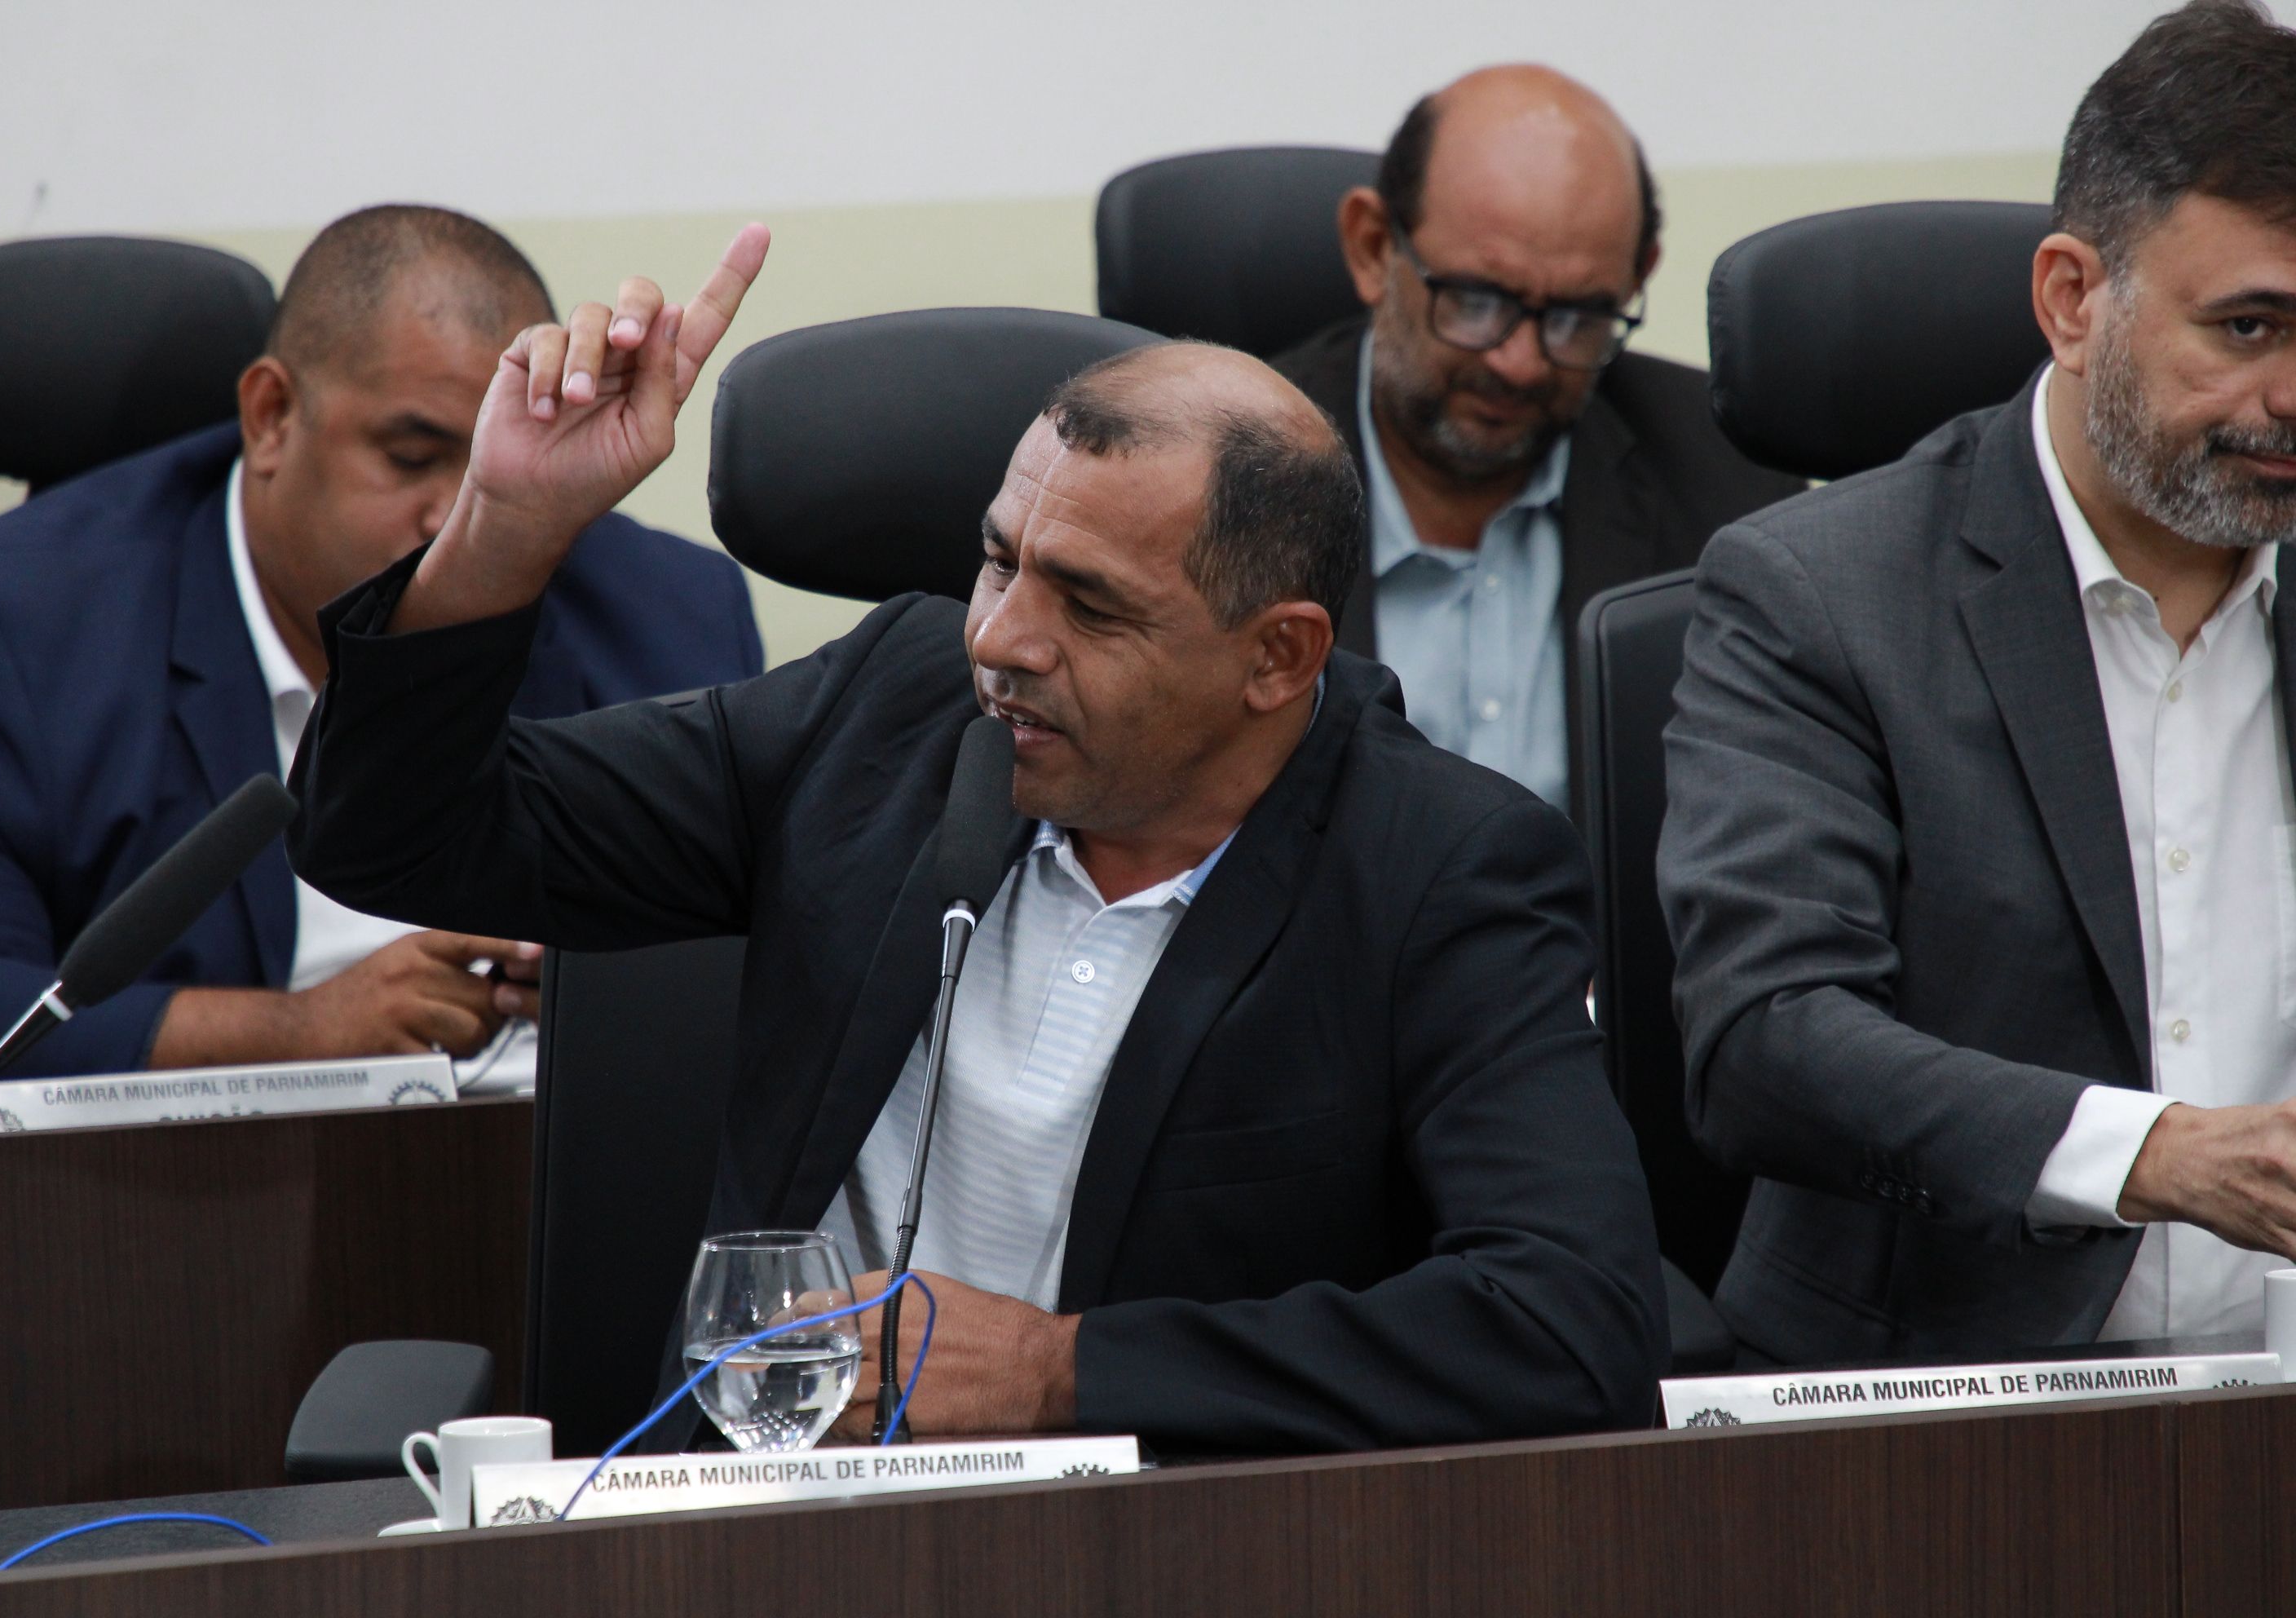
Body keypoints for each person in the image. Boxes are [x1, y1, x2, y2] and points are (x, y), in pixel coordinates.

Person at [286, 230, 1667, 1453]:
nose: (1001, 639)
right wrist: (504, 530)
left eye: (1089, 605)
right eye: (1001, 559)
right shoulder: (893, 708)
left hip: (1164, 1549)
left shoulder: (1440, 867)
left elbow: (1569, 1323)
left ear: (1277, 656)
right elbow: (393, 835)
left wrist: (1061, 1371)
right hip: (772, 1515)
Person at [1659, 0, 2296, 1364]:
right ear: (2072, 300)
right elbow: (1767, 1037)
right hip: (1944, 1411)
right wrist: (2155, 1153)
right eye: (2248, 326)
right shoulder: (1817, 594)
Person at [0, 206, 762, 1110]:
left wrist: (605, 975)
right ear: (270, 416)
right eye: (411, 456)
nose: (462, 510)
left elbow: (766, 966)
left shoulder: (666, 609)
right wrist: (297, 1038)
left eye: (495, 454)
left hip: (565, 1164)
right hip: (187, 1185)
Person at [1271, 67, 1803, 822]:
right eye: (1477, 301)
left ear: (1638, 276)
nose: (1519, 363)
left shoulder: (1737, 484)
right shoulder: (1229, 476)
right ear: (1373, 246)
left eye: (1578, 316)